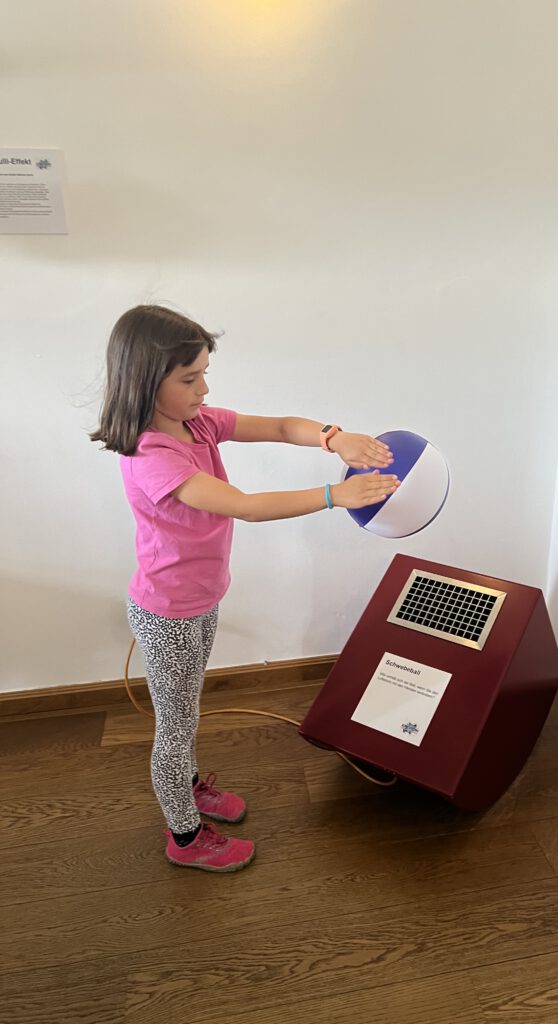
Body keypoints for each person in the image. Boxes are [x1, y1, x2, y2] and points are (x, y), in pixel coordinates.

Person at [90, 304, 399, 872]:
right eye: (190, 379)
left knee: (187, 710)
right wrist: (334, 496)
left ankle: (188, 787)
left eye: (204, 374)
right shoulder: (152, 456)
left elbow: (280, 427)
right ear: (147, 381)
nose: (204, 389)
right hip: (168, 615)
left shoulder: (199, 424)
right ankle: (184, 836)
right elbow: (246, 507)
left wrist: (335, 438)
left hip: (200, 601)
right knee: (176, 725)